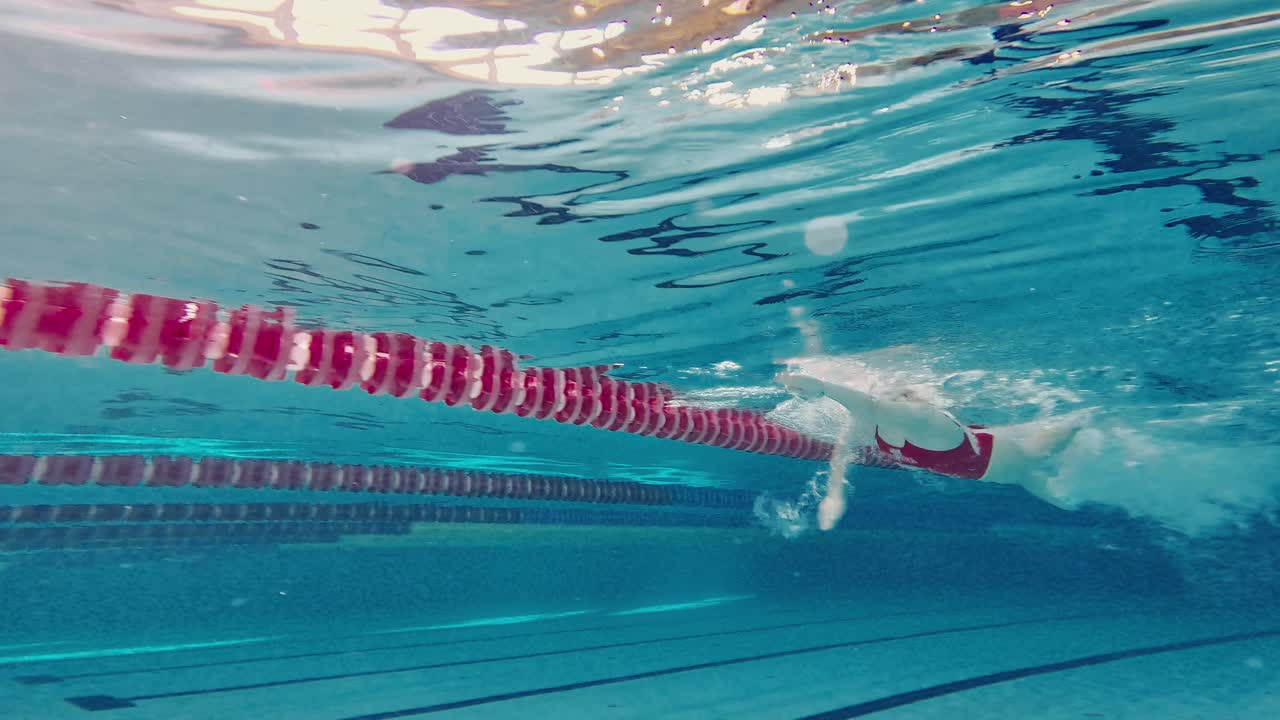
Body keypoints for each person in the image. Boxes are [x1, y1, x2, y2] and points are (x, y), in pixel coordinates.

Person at [775, 370, 1092, 531]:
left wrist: (823, 387)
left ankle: (1080, 422)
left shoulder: (918, 417)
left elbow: (867, 404)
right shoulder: (866, 422)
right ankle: (1075, 469)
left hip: (999, 460)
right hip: (980, 462)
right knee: (1057, 496)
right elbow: (842, 452)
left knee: (1035, 459)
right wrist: (834, 496)